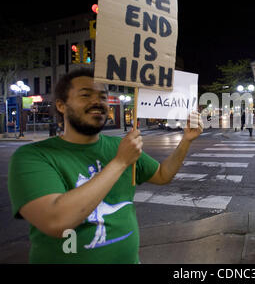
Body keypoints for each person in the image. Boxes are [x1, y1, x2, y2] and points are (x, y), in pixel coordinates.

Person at [8, 68, 203, 264]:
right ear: (61, 105)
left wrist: (186, 141)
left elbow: (162, 175)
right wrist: (120, 162)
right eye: (85, 95)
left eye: (103, 97)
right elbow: (56, 221)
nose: (97, 102)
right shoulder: (33, 156)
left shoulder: (119, 146)